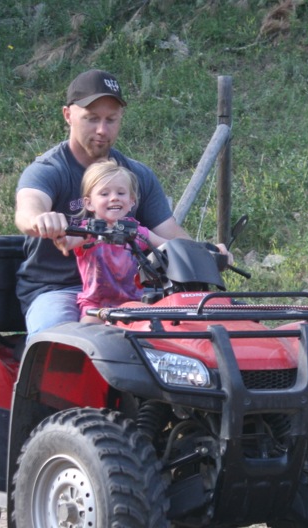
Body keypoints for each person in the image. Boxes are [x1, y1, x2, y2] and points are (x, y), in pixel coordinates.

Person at [14, 68, 229, 333]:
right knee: (58, 342)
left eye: (111, 119)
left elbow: (170, 237)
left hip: (131, 290)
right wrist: (41, 219)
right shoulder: (50, 169)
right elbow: (28, 209)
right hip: (61, 289)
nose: (102, 130)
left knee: (201, 327)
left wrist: (207, 255)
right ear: (68, 116)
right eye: (92, 119)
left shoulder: (134, 175)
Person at [57, 161, 159, 323]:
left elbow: (172, 245)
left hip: (134, 304)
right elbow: (66, 242)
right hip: (96, 306)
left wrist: (206, 249)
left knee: (154, 330)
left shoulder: (137, 232)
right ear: (89, 203)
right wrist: (59, 234)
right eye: (104, 194)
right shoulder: (87, 232)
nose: (113, 198)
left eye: (121, 193)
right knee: (89, 333)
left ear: (132, 200)